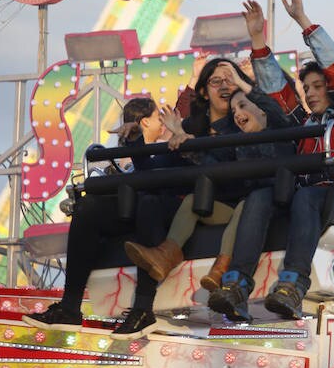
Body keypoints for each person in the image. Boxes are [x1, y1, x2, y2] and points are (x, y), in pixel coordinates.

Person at [209, 0, 334, 322]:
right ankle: (237, 284)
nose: (312, 93)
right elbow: (277, 94)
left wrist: (302, 19)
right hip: (302, 190)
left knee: (306, 198)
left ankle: (292, 284)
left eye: (319, 87)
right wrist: (258, 41)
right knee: (260, 196)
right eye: (309, 88)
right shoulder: (305, 122)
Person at [23, 96, 183, 340]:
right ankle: (69, 307)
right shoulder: (133, 154)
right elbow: (146, 170)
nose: (162, 123)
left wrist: (178, 133)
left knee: (148, 203)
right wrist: (134, 142)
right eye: (157, 118)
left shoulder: (181, 137)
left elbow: (160, 172)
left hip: (166, 210)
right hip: (137, 206)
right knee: (87, 207)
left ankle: (142, 309)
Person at [124, 82, 293, 290]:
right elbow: (211, 163)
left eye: (242, 106)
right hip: (236, 211)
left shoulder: (281, 135)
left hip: (268, 210)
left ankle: (222, 267)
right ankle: (166, 255)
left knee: (249, 202)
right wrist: (183, 139)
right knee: (193, 200)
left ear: (263, 110)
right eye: (233, 110)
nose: (237, 114)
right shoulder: (233, 143)